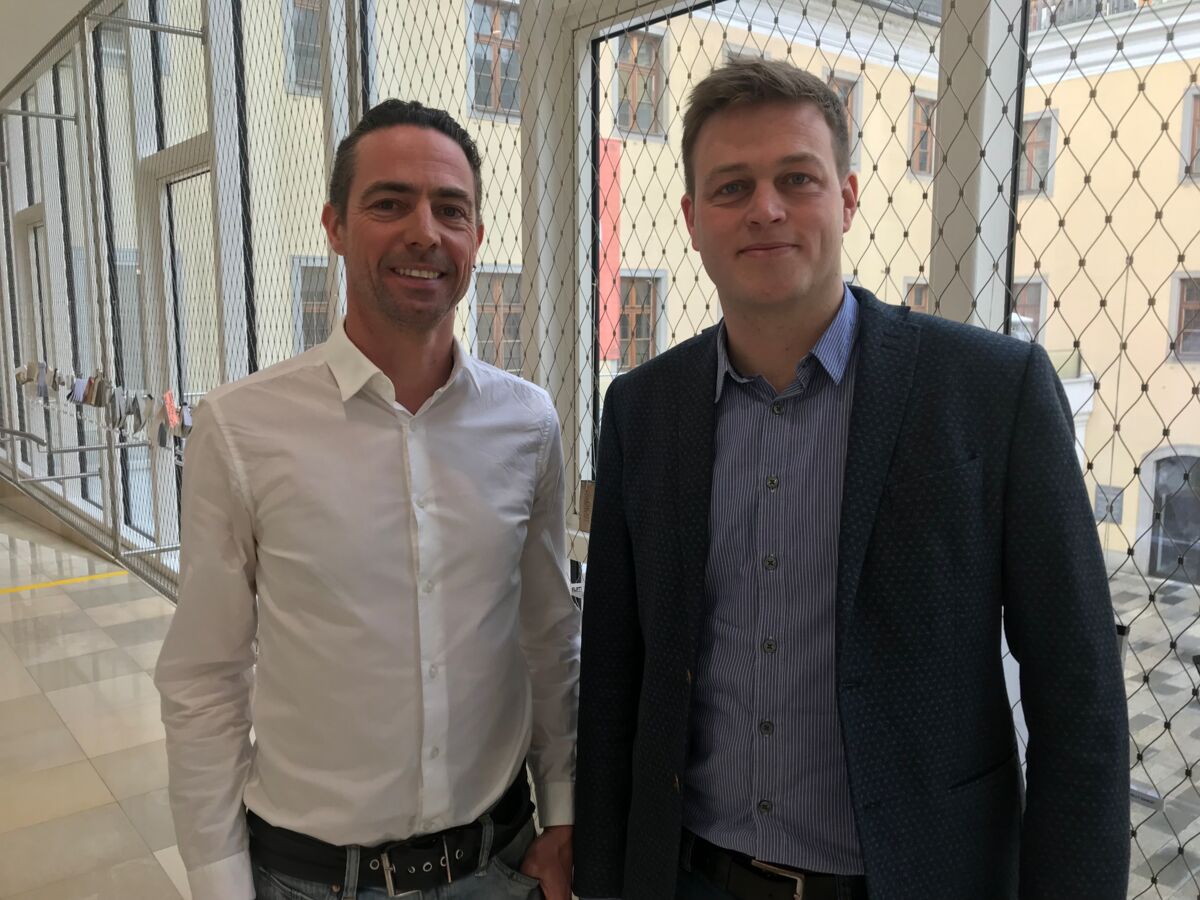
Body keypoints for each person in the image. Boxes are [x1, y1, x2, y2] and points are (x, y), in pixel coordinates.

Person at [573, 60, 1128, 900]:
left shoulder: (991, 393)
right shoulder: (643, 410)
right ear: (691, 219)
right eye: (731, 187)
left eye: (797, 179)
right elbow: (617, 674)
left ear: (848, 197)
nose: (765, 209)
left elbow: (1078, 695)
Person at [155, 99, 579, 900]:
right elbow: (205, 677)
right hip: (311, 878)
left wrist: (561, 812)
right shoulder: (241, 428)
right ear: (336, 227)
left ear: (477, 237)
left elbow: (548, 633)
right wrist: (219, 884)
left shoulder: (528, 424)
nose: (425, 232)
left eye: (451, 209)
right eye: (390, 203)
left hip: (500, 862)